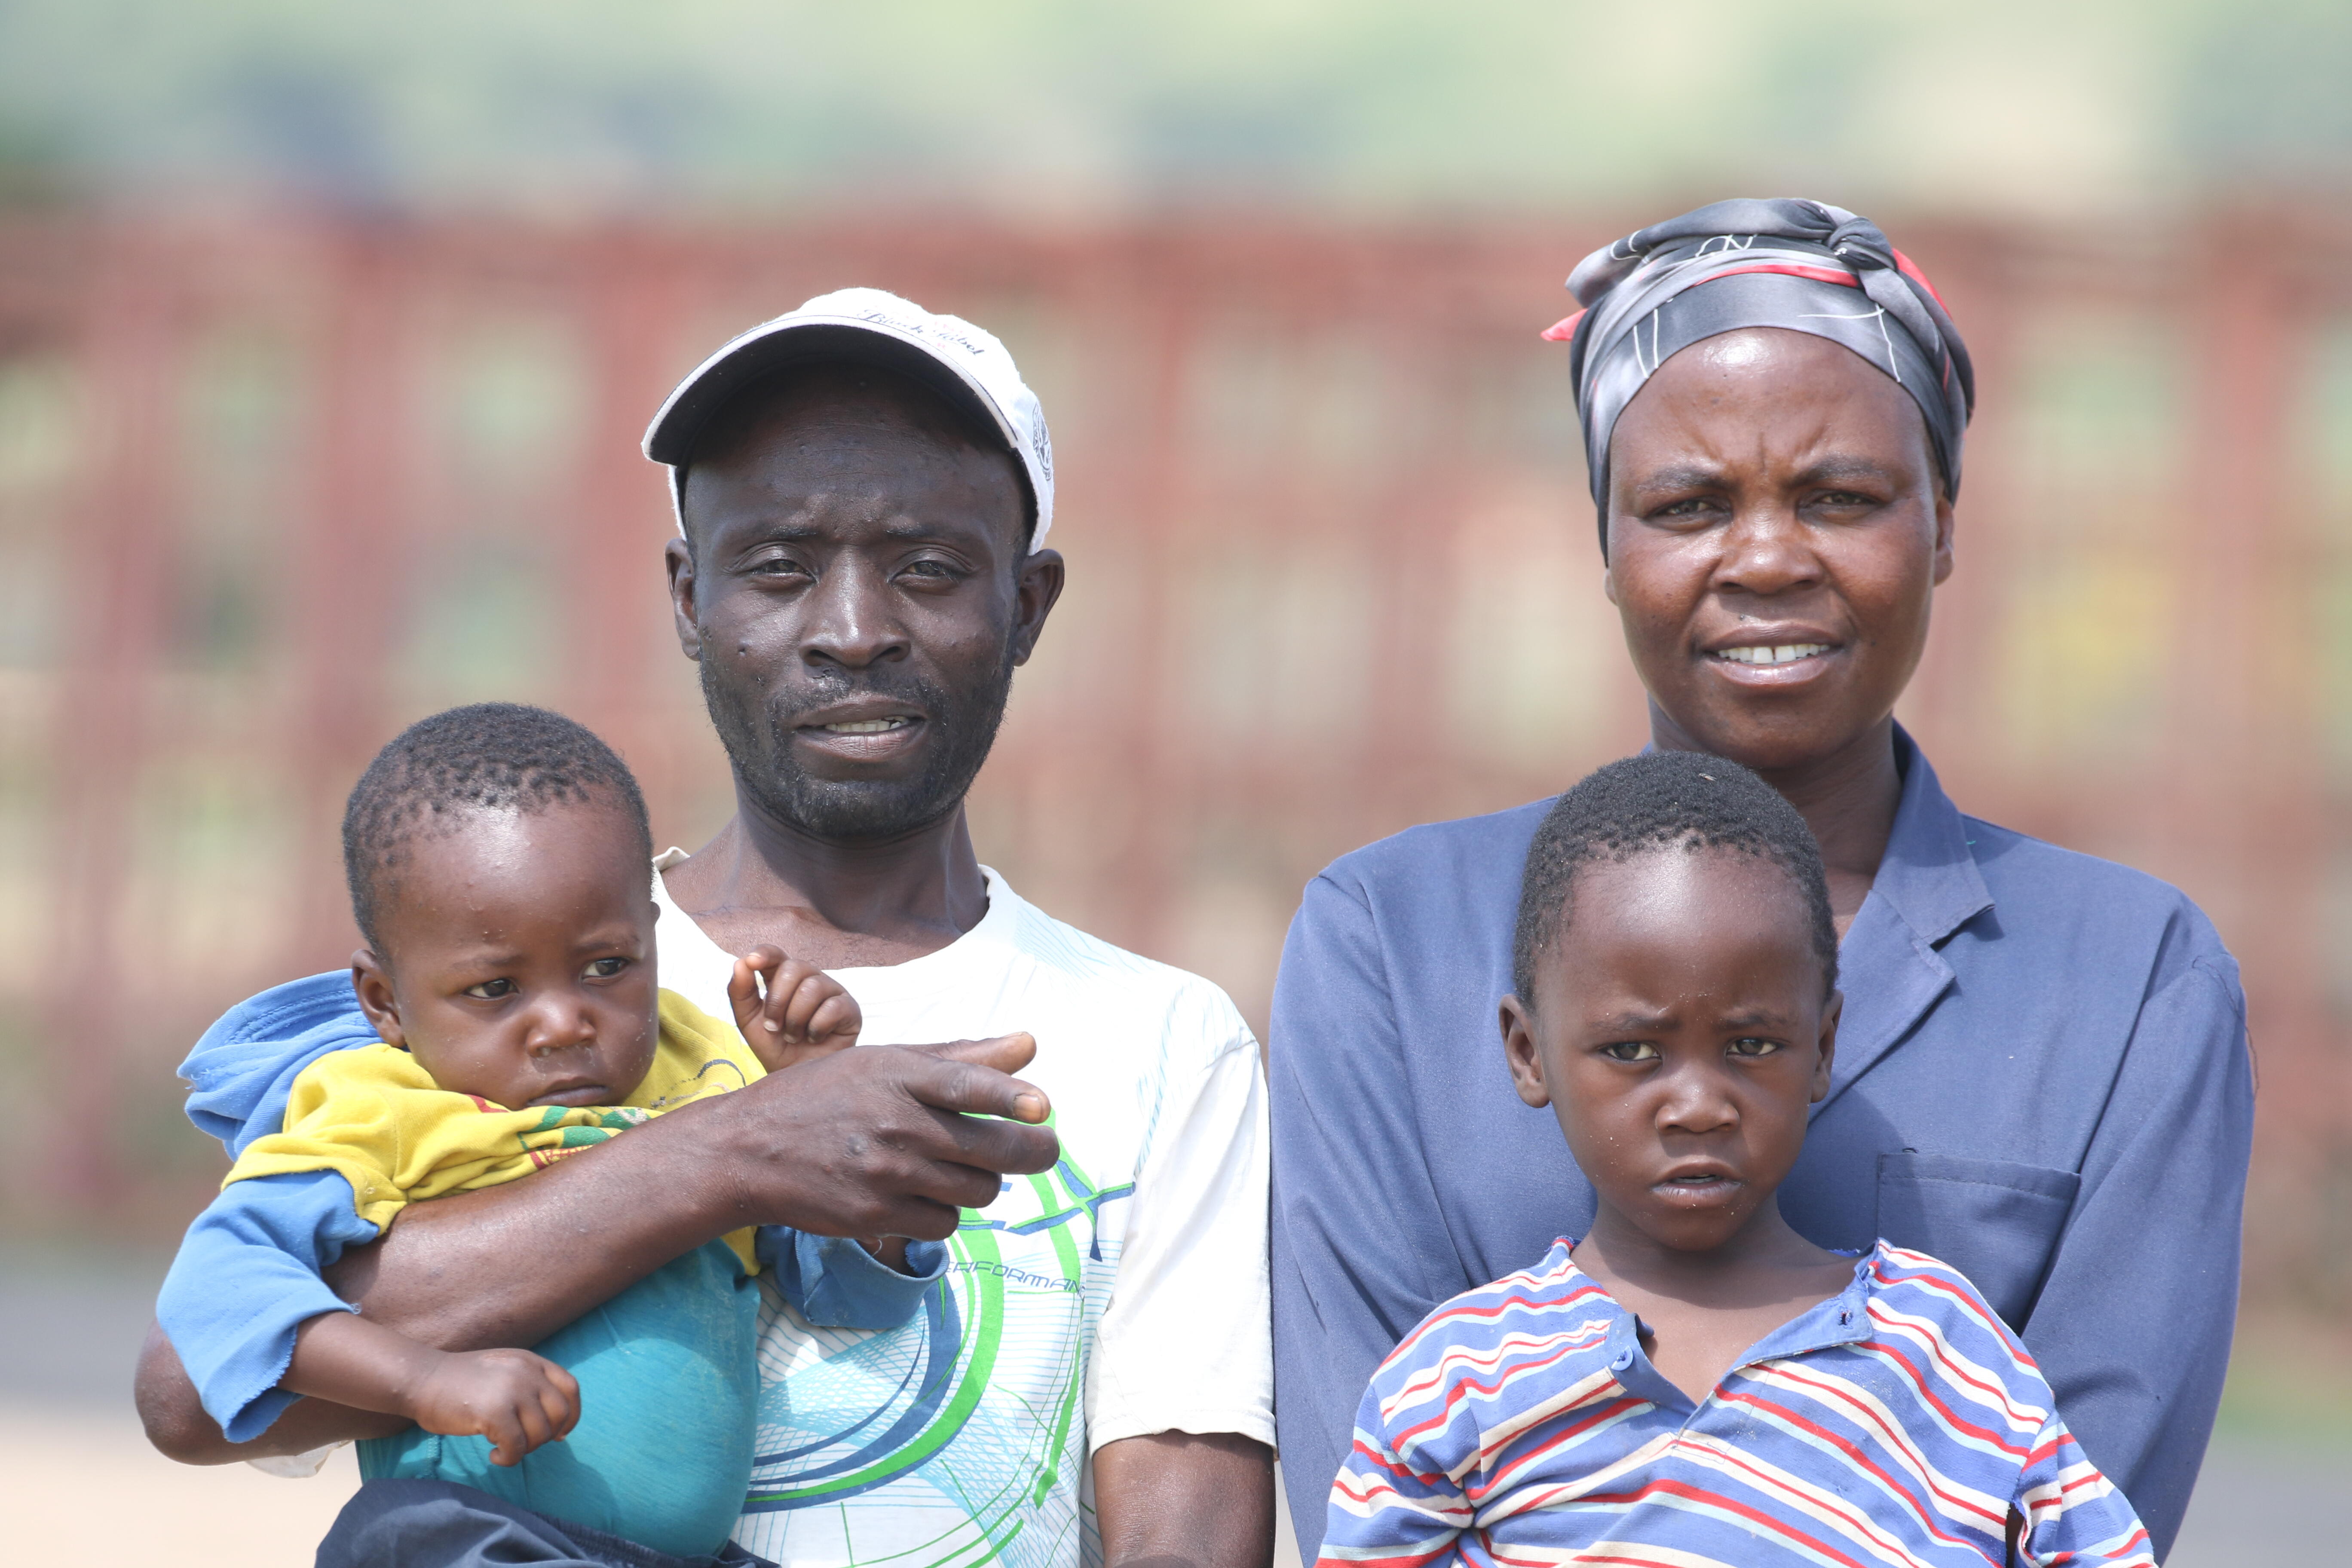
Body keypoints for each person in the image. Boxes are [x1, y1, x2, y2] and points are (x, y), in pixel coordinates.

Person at [137, 289, 1276, 1568]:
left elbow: (1185, 1516)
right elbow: (196, 1387)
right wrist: (733, 1150)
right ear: (690, 598)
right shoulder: (514, 990)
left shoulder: (1164, 1043)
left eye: (932, 570)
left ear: (1029, 605)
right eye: (780, 569)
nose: (853, 631)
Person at [1270, 200, 2251, 1560]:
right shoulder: (1390, 942)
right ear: (1605, 544)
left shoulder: (2135, 978)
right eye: (1687, 505)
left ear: (1946, 523)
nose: (1770, 558)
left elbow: (2085, 1500)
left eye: (1843, 498)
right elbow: (1371, 1477)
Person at [157, 703, 954, 1564]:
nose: (565, 1023)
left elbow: (845, 1299)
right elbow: (220, 1302)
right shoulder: (370, 1110)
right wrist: (424, 1379)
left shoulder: (705, 1072)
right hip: (473, 1539)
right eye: (497, 989)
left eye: (607, 968)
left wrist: (808, 1097)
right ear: (384, 1002)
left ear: (655, 935)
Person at [1317, 752, 2153, 1568]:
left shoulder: (1945, 1353)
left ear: (1822, 1046)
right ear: (1529, 1054)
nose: (1699, 1106)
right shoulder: (1460, 1376)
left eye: (1752, 1044)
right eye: (1633, 1049)